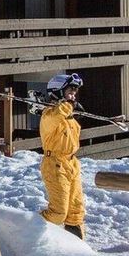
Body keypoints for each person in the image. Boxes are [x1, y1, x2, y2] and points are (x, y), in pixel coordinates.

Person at [38, 72, 86, 239]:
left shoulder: (69, 116)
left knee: (75, 211)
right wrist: (68, 106)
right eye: (69, 92)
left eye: (74, 93)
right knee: (58, 212)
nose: (73, 96)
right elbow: (57, 115)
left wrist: (71, 111)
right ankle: (27, 230)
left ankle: (77, 248)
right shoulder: (49, 115)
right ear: (58, 92)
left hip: (72, 163)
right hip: (55, 165)